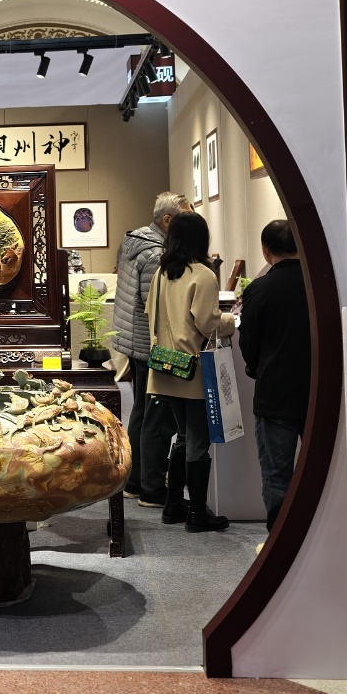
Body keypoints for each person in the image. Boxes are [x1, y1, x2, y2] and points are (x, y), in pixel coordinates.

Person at [142, 211, 236, 531]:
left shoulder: (162, 272)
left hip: (166, 364)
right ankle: (197, 512)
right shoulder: (203, 275)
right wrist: (230, 322)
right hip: (193, 366)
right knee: (199, 440)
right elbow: (206, 323)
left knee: (182, 435)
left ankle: (173, 506)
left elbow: (149, 314)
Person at [111, 192, 193, 500]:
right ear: (168, 220)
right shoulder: (155, 254)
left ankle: (135, 482)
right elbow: (155, 306)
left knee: (144, 413)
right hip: (152, 344)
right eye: (188, 215)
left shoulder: (136, 242)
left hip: (135, 341)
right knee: (158, 417)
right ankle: (151, 487)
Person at [238, 220, 310, 532]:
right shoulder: (321, 285)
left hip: (275, 392)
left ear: (266, 252)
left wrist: (256, 370)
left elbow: (249, 343)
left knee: (277, 474)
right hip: (320, 394)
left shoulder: (260, 288)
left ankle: (280, 540)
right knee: (319, 470)